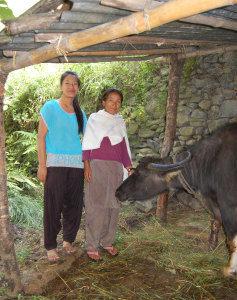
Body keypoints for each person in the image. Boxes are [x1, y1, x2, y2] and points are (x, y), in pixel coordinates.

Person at [37, 70, 87, 262]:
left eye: (75, 84)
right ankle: (50, 245)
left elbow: (85, 142)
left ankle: (68, 240)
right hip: (55, 165)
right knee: (53, 205)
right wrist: (42, 165)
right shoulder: (50, 107)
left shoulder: (80, 113)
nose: (71, 87)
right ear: (61, 86)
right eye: (67, 83)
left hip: (76, 165)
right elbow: (41, 138)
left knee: (73, 205)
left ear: (78, 88)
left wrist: (86, 165)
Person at [82, 88, 134, 262]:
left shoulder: (119, 121)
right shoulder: (94, 119)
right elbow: (87, 144)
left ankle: (107, 242)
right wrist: (87, 165)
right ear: (103, 102)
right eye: (111, 100)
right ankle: (91, 245)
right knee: (96, 206)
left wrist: (129, 167)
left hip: (116, 169)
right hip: (97, 166)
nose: (115, 104)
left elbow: (123, 147)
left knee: (114, 206)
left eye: (118, 101)